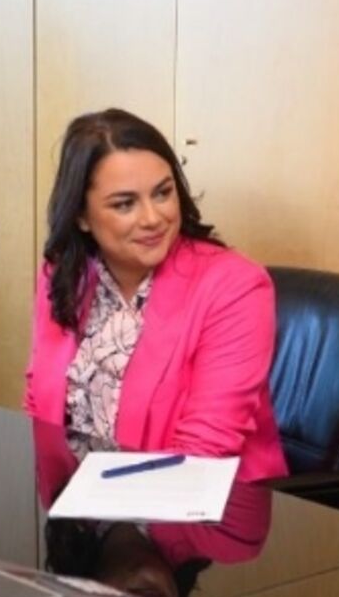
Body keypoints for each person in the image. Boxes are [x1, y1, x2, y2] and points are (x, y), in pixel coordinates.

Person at [24, 108, 287, 482]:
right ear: (81, 216)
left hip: (199, 517)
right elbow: (40, 402)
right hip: (83, 509)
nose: (152, 218)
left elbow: (203, 450)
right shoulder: (64, 274)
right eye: (124, 203)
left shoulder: (235, 286)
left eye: (162, 193)